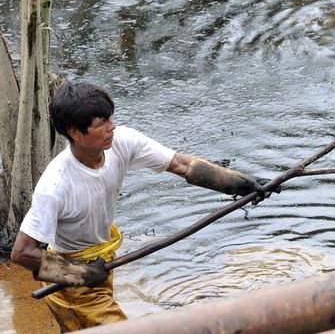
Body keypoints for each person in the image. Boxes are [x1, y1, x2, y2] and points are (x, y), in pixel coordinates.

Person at [10, 82, 277, 331]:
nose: (112, 127)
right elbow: (22, 253)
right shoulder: (55, 186)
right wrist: (83, 274)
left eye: (110, 119)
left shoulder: (122, 142)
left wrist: (242, 183)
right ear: (75, 133)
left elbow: (181, 165)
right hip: (71, 282)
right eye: (101, 124)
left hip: (103, 262)